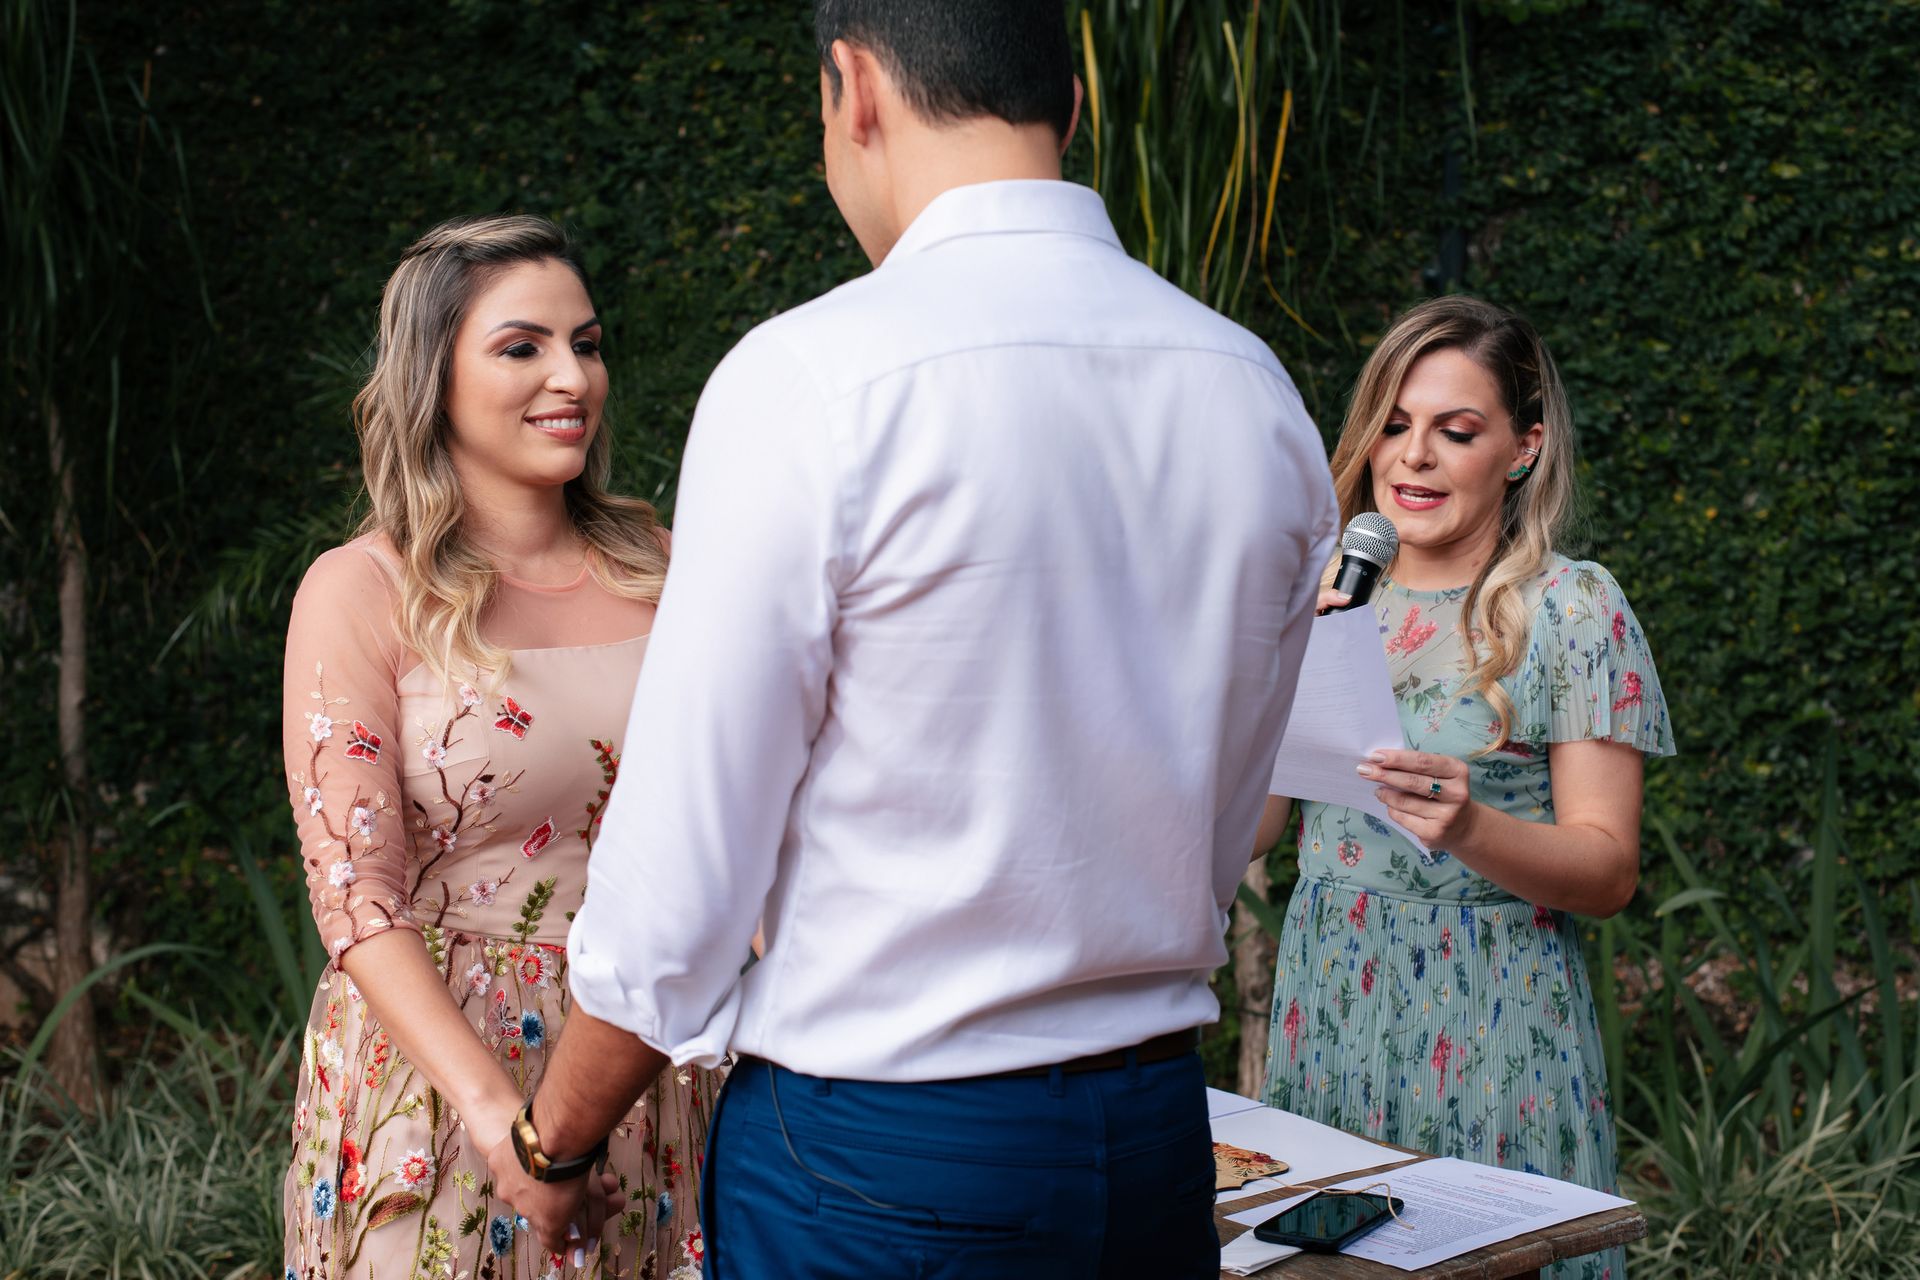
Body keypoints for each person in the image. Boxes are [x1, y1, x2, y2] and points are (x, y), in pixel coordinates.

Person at [483, 2, 1338, 1275]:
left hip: (880, 1148)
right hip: (1154, 1132)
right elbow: (1223, 825)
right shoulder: (1253, 389)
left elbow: (681, 884)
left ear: (856, 88)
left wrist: (556, 1143)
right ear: (1076, 108)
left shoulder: (813, 379)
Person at [279, 214, 717, 1280]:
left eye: (588, 342)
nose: (571, 374)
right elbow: (354, 894)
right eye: (523, 347)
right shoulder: (364, 590)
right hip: (447, 1081)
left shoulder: (666, 559)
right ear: (433, 378)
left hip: (653, 1060)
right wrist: (504, 1124)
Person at [1255, 294, 1673, 1280]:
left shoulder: (1571, 609)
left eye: (1457, 430)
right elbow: (1255, 832)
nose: (1414, 456)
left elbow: (1608, 872)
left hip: (1495, 1020)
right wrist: (1263, 673)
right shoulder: (1323, 593)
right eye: (1395, 425)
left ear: (1523, 448)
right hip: (1330, 1006)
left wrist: (1471, 822)